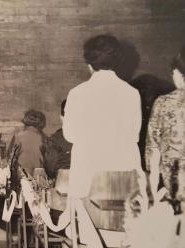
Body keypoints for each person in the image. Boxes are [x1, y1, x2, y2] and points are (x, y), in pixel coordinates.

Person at [63, 34, 142, 198]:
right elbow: (134, 135)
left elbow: (70, 135)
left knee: (87, 220)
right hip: (122, 172)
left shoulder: (77, 94)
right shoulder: (132, 93)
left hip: (88, 173)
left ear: (89, 64)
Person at [146, 46, 185, 204]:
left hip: (175, 194)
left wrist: (154, 196)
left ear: (177, 73)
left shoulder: (163, 103)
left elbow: (154, 154)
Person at [41, 99, 72, 180]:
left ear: (62, 118)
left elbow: (50, 170)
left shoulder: (55, 140)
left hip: (63, 185)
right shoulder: (90, 138)